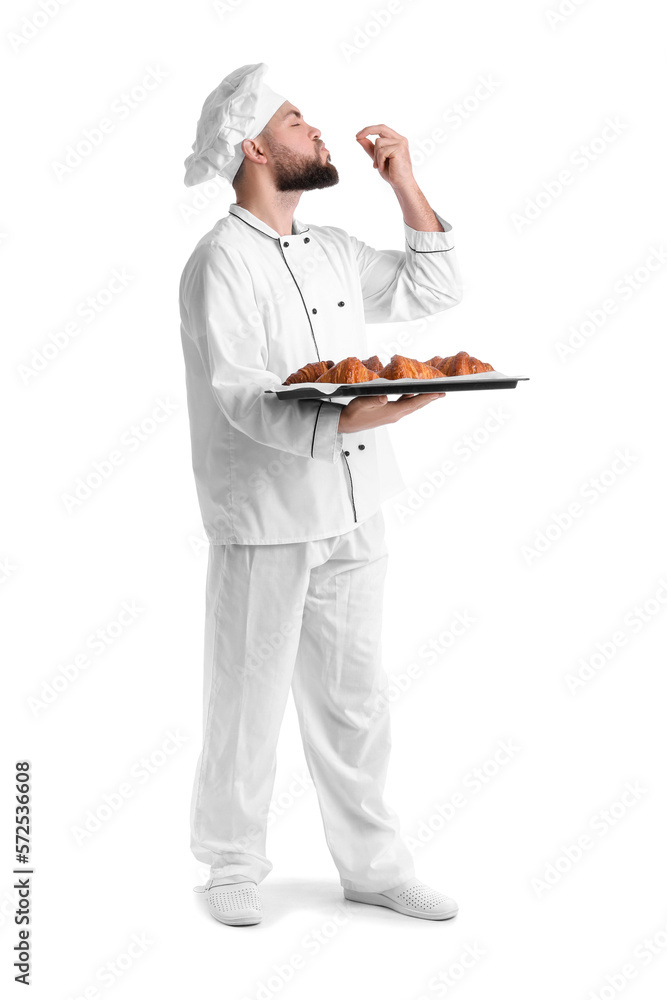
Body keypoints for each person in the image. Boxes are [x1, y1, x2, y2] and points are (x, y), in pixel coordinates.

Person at [179, 63, 463, 926]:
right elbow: (238, 394)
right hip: (266, 514)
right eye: (298, 121)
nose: (318, 132)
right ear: (255, 147)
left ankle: (373, 866)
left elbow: (434, 289)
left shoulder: (331, 247)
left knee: (355, 697)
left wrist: (405, 182)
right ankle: (231, 862)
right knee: (247, 692)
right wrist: (359, 416)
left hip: (356, 501)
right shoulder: (218, 263)